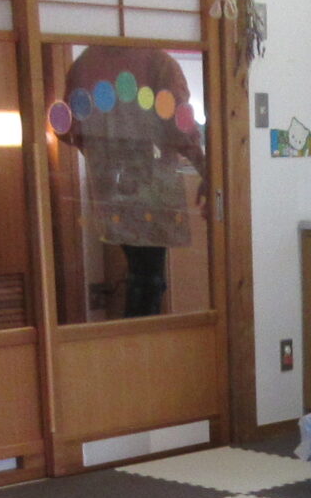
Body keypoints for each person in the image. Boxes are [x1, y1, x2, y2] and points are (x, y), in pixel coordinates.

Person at [59, 45, 207, 318]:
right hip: (151, 186)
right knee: (149, 281)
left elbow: (68, 129)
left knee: (141, 276)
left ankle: (132, 350)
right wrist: (206, 168)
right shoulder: (158, 62)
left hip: (109, 190)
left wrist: (102, 155)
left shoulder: (85, 63)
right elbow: (180, 126)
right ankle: (140, 353)